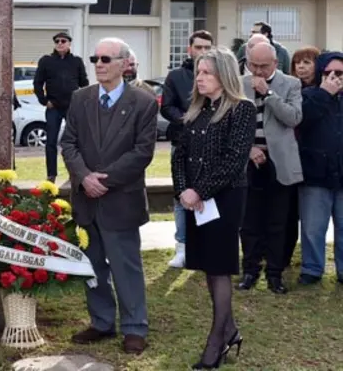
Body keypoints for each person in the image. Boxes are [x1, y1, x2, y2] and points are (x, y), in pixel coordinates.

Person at [61, 37, 157, 355]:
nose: (99, 64)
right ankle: (102, 322)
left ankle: (134, 328)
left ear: (124, 64)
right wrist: (84, 177)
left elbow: (143, 152)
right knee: (93, 267)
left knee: (125, 266)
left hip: (121, 199)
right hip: (86, 199)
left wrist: (106, 179)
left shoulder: (143, 102)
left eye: (106, 58)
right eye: (95, 59)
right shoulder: (80, 98)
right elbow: (69, 143)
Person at [171, 47, 256, 369]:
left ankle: (217, 341)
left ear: (224, 75)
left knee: (220, 267)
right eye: (198, 72)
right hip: (196, 201)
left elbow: (234, 161)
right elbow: (179, 156)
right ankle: (231, 329)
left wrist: (199, 191)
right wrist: (183, 191)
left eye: (207, 72)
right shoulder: (197, 111)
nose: (200, 78)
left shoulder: (241, 109)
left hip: (224, 198)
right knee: (209, 265)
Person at [236, 42, 303, 294]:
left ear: (275, 63)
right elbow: (231, 123)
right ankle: (250, 270)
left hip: (280, 163)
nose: (258, 70)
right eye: (253, 64)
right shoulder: (239, 83)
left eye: (264, 66)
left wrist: (268, 94)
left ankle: (275, 273)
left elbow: (293, 118)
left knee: (278, 221)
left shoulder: (291, 84)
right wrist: (248, 148)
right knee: (249, 221)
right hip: (248, 161)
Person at [160, 30, 214, 268]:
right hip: (182, 143)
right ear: (189, 49)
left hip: (211, 145)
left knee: (208, 193)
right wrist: (187, 119)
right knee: (182, 195)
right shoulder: (176, 76)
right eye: (199, 47)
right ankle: (182, 246)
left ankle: (204, 245)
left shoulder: (218, 75)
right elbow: (166, 107)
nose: (203, 52)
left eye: (207, 47)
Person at [296, 51, 343, 285]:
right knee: (313, 228)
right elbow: (302, 120)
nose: (334, 77)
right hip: (315, 174)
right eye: (328, 73)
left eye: (340, 73)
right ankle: (312, 269)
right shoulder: (308, 95)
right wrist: (325, 94)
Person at [33, 31, 89, 183]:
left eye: (63, 41)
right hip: (53, 107)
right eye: (57, 41)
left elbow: (84, 83)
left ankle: (76, 173)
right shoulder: (46, 61)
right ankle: (51, 175)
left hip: (72, 107)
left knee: (74, 141)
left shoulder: (76, 61)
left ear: (69, 44)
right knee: (51, 142)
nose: (59, 43)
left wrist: (82, 101)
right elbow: (38, 82)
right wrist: (44, 101)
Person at [284, 46, 320, 269]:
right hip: (291, 156)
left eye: (307, 62)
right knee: (287, 212)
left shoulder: (324, 92)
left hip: (312, 160)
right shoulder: (289, 88)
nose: (301, 67)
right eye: (297, 63)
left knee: (310, 217)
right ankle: (283, 254)